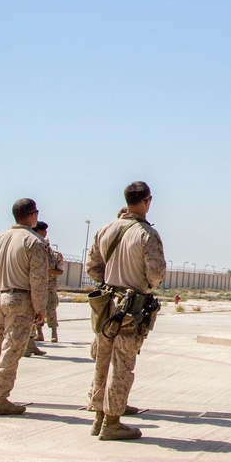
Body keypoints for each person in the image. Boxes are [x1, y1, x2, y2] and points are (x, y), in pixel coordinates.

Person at [86, 181, 166, 440]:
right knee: (121, 365)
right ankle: (112, 422)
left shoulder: (105, 229)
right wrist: (142, 287)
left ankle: (99, 418)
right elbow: (155, 275)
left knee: (102, 363)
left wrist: (109, 284)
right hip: (130, 308)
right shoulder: (147, 234)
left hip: (105, 306)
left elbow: (92, 267)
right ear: (147, 201)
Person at [0, 198, 49, 416]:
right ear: (32, 215)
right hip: (20, 301)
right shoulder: (34, 242)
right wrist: (41, 308)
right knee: (12, 349)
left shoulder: (0, 239)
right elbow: (38, 278)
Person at [23, 221, 51, 356]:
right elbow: (36, 274)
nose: (46, 233)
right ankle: (25, 347)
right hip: (29, 290)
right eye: (44, 230)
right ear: (38, 231)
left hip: (32, 289)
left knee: (31, 321)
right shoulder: (35, 243)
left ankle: (30, 345)